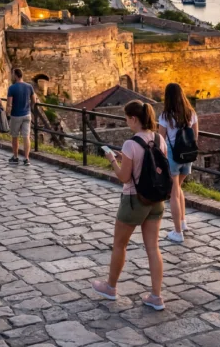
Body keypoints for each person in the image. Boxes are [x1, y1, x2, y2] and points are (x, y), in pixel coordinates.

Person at [91, 100, 166, 311]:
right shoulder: (160, 139)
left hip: (134, 200)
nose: (127, 122)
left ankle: (110, 287)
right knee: (153, 247)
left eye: (127, 118)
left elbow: (125, 177)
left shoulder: (130, 144)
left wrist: (113, 160)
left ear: (133, 119)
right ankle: (156, 296)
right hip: (156, 200)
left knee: (120, 245)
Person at [157, 82, 198, 243]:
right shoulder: (191, 113)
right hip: (188, 154)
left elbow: (161, 140)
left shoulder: (165, 116)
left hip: (173, 156)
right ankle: (183, 222)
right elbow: (195, 136)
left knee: (174, 192)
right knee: (178, 188)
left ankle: (177, 231)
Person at [5, 68, 36, 166]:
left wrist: (7, 114)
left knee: (15, 137)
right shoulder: (29, 86)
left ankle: (15, 157)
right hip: (27, 114)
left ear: (15, 75)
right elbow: (34, 100)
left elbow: (9, 104)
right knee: (26, 137)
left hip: (16, 115)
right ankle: (27, 158)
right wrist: (30, 107)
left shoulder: (12, 88)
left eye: (13, 74)